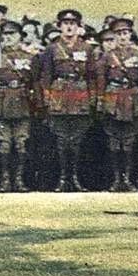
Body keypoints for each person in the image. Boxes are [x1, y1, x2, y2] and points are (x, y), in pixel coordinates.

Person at [38, 10, 100, 192]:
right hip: (59, 97)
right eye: (65, 23)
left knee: (77, 140)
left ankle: (75, 177)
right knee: (61, 140)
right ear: (59, 27)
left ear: (78, 26)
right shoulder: (52, 49)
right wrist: (47, 100)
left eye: (73, 23)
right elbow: (46, 76)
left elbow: (91, 76)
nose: (69, 26)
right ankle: (63, 178)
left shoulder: (87, 49)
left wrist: (93, 99)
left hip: (80, 96)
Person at [0, 20, 39, 192]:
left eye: (11, 34)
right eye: (4, 35)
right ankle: (5, 179)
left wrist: (36, 104)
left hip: (22, 102)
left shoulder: (29, 57)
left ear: (20, 37)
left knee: (21, 142)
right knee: (4, 144)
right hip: (2, 103)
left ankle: (19, 179)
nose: (7, 38)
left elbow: (34, 82)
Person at [97, 20, 138, 191]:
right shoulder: (107, 56)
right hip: (113, 97)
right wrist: (101, 100)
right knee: (113, 140)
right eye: (118, 34)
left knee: (129, 141)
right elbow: (101, 79)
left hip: (132, 98)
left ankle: (126, 179)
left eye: (125, 33)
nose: (122, 37)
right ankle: (116, 180)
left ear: (130, 34)